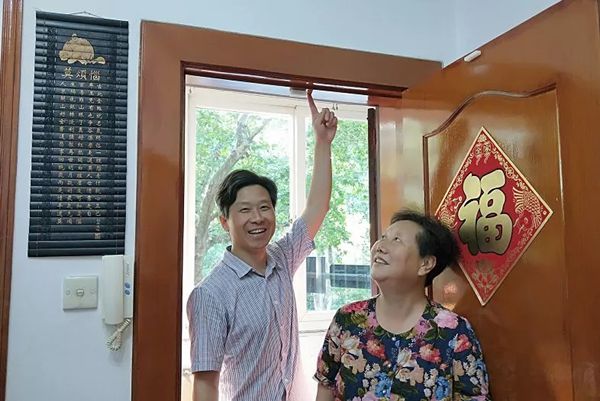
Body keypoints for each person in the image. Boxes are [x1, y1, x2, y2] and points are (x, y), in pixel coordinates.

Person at [187, 90, 337, 401]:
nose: (257, 218)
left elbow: (318, 207)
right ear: (225, 222)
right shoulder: (210, 294)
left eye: (264, 207)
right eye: (244, 210)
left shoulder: (282, 257)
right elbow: (205, 384)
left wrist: (323, 143)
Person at [314, 210, 491, 401]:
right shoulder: (347, 319)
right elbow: (326, 384)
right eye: (383, 237)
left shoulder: (455, 332)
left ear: (425, 264)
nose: (380, 246)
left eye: (396, 240)